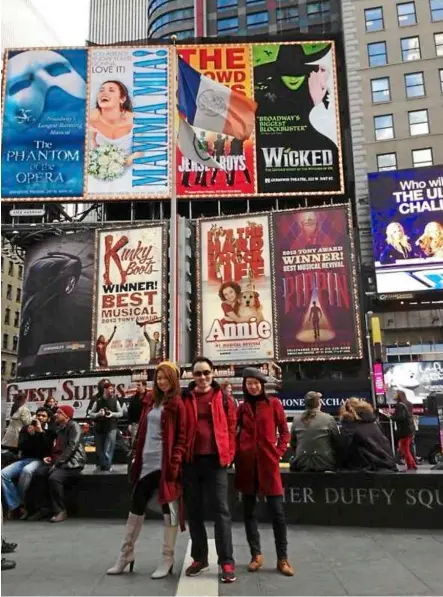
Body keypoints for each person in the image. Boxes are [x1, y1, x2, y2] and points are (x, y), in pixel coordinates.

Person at [107, 361, 187, 578]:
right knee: (136, 508)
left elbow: (182, 437)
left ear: (174, 380)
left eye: (166, 378)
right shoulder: (150, 402)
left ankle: (167, 559)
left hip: (166, 464)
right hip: (145, 462)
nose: (162, 382)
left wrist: (175, 462)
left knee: (169, 512)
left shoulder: (178, 403)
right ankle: (125, 555)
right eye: (159, 378)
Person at [181, 356, 237, 583]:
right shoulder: (184, 398)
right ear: (191, 376)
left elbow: (232, 428)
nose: (202, 377)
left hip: (217, 462)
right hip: (191, 461)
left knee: (221, 512)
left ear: (213, 373)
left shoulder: (224, 398)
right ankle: (200, 558)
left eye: (206, 372)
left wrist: (229, 454)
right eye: (198, 373)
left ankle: (226, 561)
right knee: (193, 512)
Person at [235, 368, 293, 576]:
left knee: (277, 513)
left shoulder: (274, 404)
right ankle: (256, 555)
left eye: (256, 383)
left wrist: (278, 452)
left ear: (262, 384)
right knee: (249, 513)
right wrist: (239, 451)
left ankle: (283, 558)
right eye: (249, 383)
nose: (253, 386)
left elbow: (285, 432)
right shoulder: (241, 408)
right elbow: (235, 431)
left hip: (269, 465)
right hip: (247, 466)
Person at [29, 405, 85, 522]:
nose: (56, 415)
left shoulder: (73, 426)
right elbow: (56, 447)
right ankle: (43, 508)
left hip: (72, 463)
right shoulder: (59, 428)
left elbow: (72, 447)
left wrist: (58, 463)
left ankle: (60, 511)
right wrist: (50, 457)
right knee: (39, 474)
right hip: (59, 462)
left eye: (59, 413)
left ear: (66, 415)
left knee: (54, 478)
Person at [1, 408, 55, 519]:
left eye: (43, 416)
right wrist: (30, 435)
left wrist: (40, 433)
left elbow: (47, 449)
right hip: (25, 459)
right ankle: (16, 505)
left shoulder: (50, 431)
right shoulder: (26, 429)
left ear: (48, 419)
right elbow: (21, 447)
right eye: (38, 415)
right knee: (3, 474)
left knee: (27, 471)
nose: (39, 417)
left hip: (40, 460)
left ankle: (22, 503)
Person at [339, 398, 397, 472]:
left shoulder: (350, 425)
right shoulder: (374, 423)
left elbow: (343, 448)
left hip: (368, 470)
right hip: (388, 466)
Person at [290, 391, 340, 472]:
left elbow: (293, 444)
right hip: (324, 463)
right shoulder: (328, 419)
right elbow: (337, 442)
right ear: (319, 403)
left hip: (301, 463)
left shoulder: (296, 420)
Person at [88, 382, 123, 472]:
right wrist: (98, 414)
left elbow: (121, 413)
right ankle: (103, 465)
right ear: (105, 389)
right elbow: (91, 414)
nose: (112, 391)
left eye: (112, 389)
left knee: (108, 448)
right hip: (99, 427)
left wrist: (112, 414)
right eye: (110, 389)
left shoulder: (115, 400)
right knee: (100, 449)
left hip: (111, 427)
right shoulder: (98, 401)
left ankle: (107, 466)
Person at [392, 390, 417, 471]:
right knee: (405, 447)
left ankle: (410, 465)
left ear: (399, 395)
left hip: (404, 430)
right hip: (410, 428)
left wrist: (391, 417)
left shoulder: (399, 405)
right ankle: (412, 464)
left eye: (396, 393)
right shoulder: (408, 403)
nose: (394, 395)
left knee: (405, 449)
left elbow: (401, 417)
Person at [127, 381, 148, 445]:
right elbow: (129, 411)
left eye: (139, 385)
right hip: (135, 424)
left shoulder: (149, 397)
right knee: (134, 443)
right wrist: (129, 423)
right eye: (137, 385)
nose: (137, 387)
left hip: (145, 424)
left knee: (145, 443)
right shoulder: (133, 398)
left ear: (144, 386)